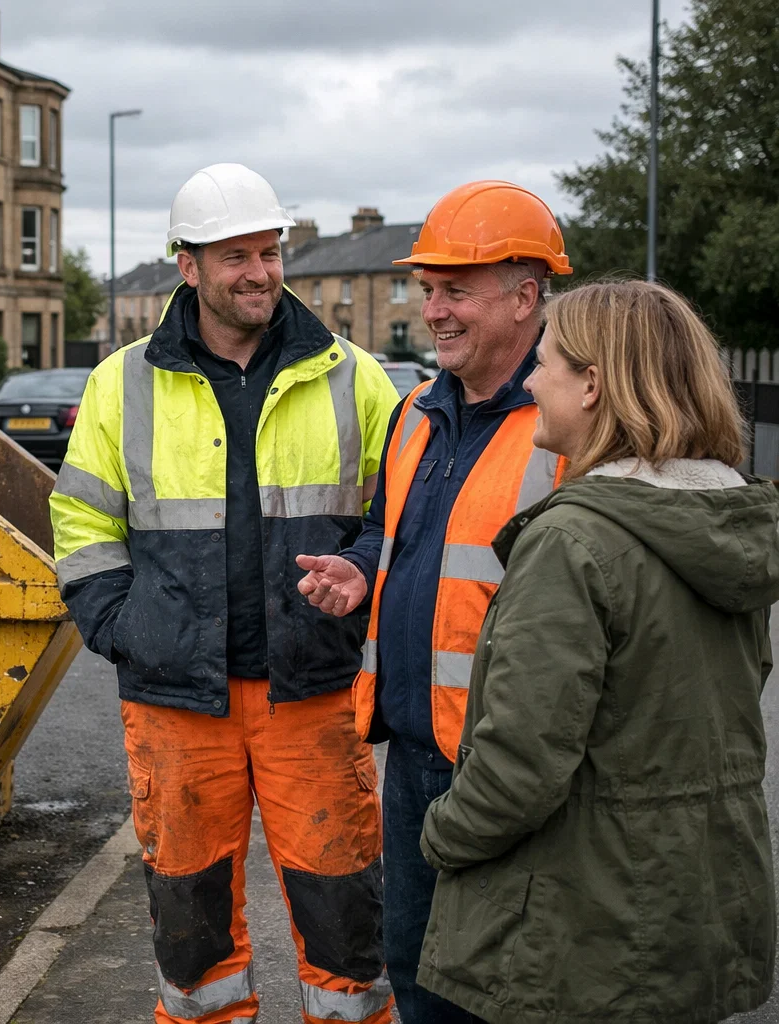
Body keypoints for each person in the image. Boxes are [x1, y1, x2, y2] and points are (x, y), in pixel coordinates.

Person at [49, 163, 398, 1024]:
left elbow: (401, 513)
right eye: (235, 253)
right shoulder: (121, 382)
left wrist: (363, 575)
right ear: (188, 266)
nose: (259, 271)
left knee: (345, 918)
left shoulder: (355, 376)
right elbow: (82, 523)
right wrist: (127, 630)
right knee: (191, 926)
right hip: (176, 700)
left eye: (269, 251)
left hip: (310, 694)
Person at [417, 280, 779, 1021]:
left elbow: (521, 764)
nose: (528, 380)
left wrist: (442, 834)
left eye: (545, 361)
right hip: (701, 900)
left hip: (588, 921)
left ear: (592, 384)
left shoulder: (572, 541)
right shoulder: (725, 521)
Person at [295, 180, 571, 1022]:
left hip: (512, 760)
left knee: (512, 985)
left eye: (456, 289)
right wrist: (361, 569)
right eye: (427, 288)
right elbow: (396, 532)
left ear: (526, 297)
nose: (434, 309)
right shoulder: (416, 410)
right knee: (414, 969)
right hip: (415, 750)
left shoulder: (571, 419)